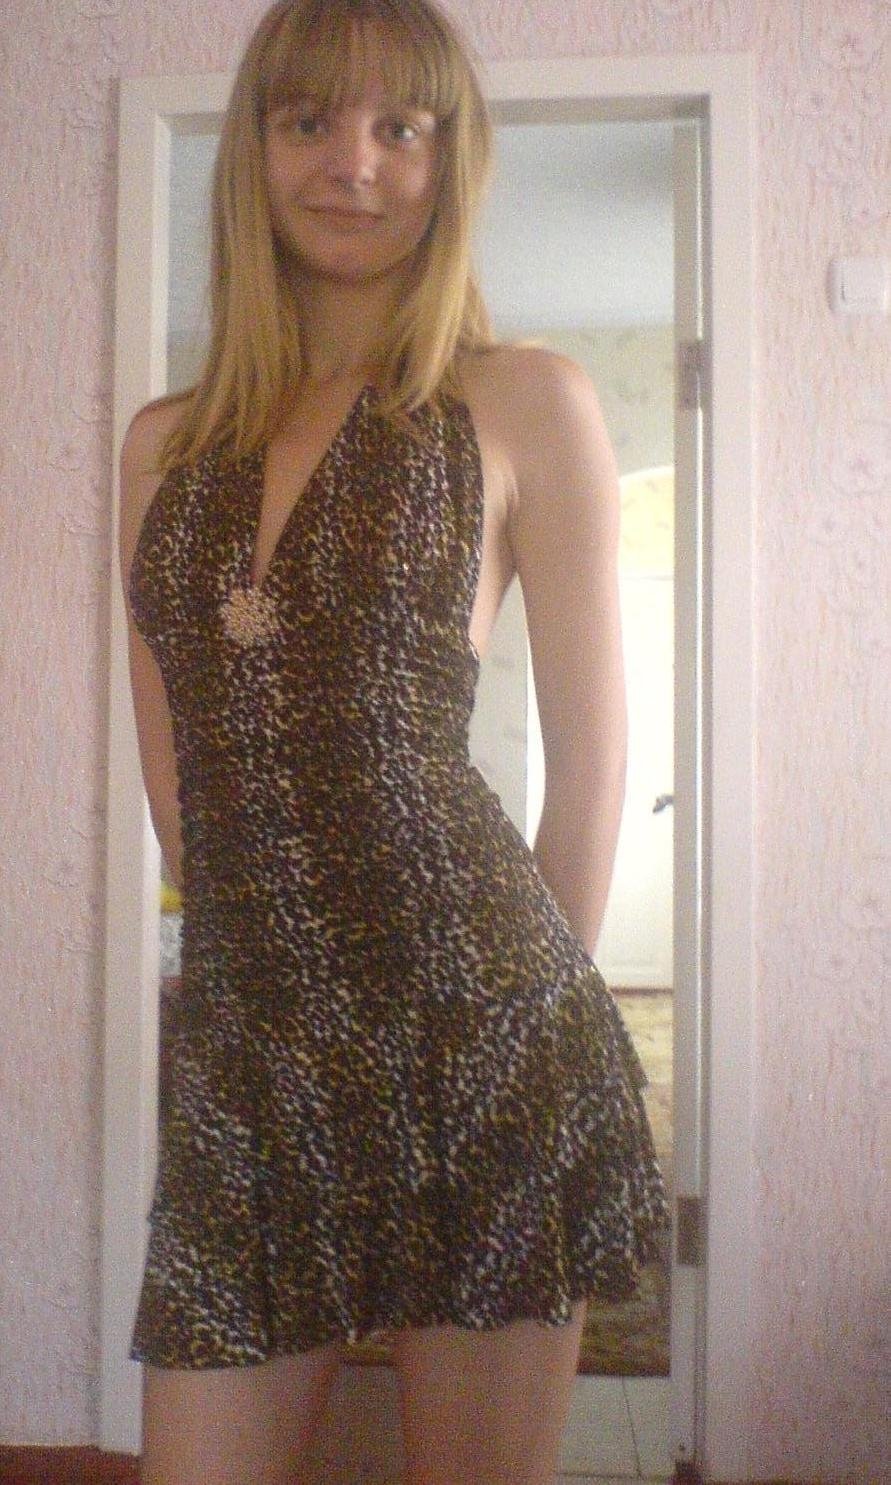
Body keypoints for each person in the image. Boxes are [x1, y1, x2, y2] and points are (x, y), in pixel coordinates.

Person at [118, 1, 670, 1481]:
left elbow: (592, 771)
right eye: (308, 120)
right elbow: (179, 779)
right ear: (255, 151)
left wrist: (512, 1041)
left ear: (449, 157)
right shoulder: (164, 444)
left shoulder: (523, 400)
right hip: (254, 1050)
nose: (352, 162)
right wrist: (256, 994)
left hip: (477, 1028)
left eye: (399, 127)